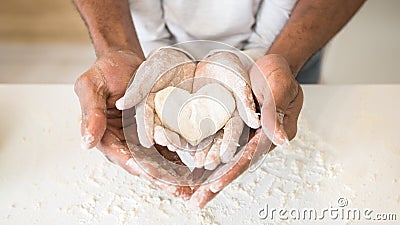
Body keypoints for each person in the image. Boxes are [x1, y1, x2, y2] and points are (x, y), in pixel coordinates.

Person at [72, 0, 365, 208]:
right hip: (139, 47)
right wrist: (118, 47)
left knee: (282, 113)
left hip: (291, 34)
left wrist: (281, 58)